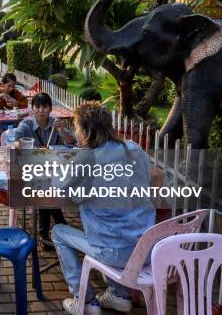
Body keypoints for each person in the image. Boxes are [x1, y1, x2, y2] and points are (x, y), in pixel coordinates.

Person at [52, 101, 155, 315]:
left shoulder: (87, 158)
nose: (77, 134)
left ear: (87, 130)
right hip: (145, 248)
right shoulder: (133, 149)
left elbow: (61, 188)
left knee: (59, 232)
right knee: (109, 229)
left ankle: (84, 300)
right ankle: (119, 295)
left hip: (115, 251)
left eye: (78, 128)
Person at [15, 92, 77, 247]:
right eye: (38, 106)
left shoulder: (56, 124)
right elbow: (16, 142)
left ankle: (45, 232)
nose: (41, 110)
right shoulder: (26, 125)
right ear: (33, 109)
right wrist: (18, 145)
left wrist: (62, 131)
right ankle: (58, 226)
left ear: (50, 109)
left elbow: (71, 143)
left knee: (46, 190)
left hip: (54, 168)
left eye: (45, 107)